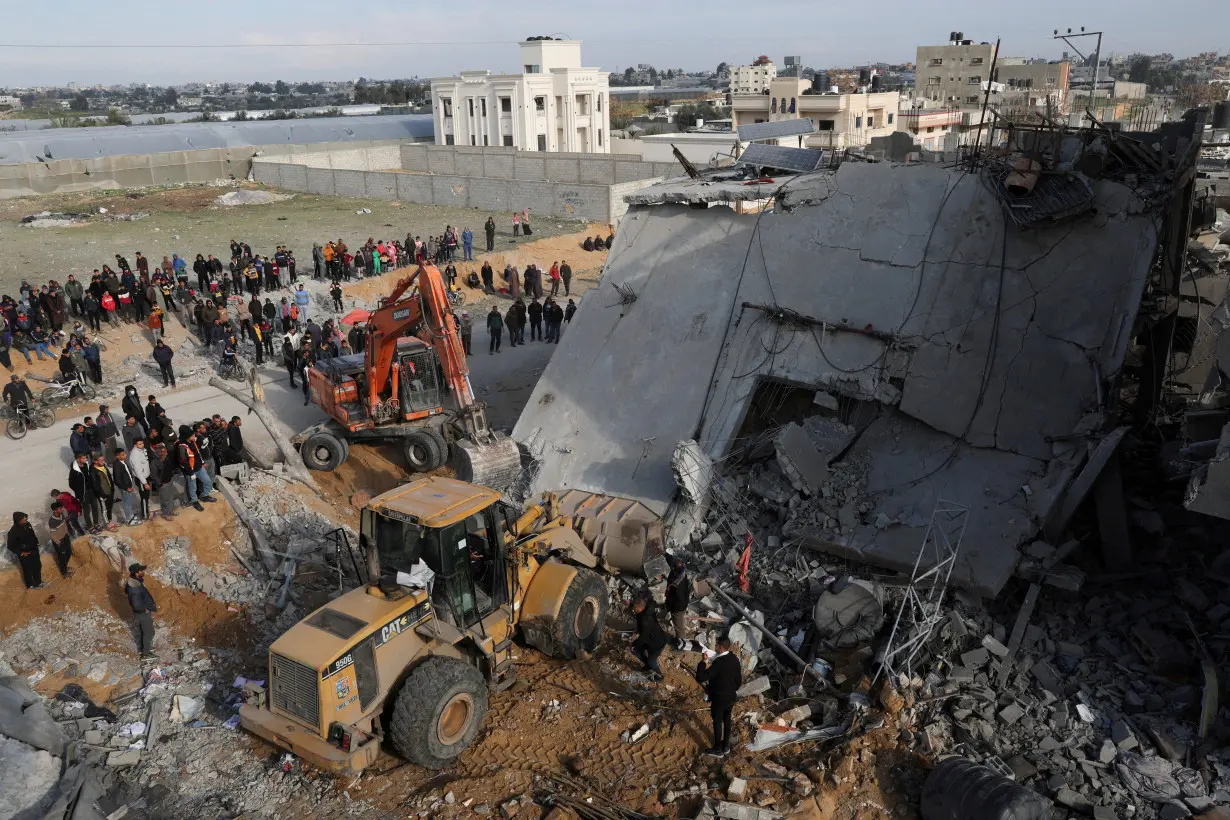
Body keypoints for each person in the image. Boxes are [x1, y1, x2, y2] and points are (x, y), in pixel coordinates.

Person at [695, 636, 743, 756]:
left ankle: (717, 749)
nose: (715, 647)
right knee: (727, 720)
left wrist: (703, 662)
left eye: (716, 645)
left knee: (717, 722)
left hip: (719, 698)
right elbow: (738, 681)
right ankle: (725, 746)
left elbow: (700, 677)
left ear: (721, 647)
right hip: (731, 696)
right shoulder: (734, 659)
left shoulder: (718, 663)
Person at [176, 426, 217, 510]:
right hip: (190, 471)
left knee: (208, 482)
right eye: (192, 435)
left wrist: (202, 462)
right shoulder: (182, 447)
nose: (194, 436)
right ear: (187, 437)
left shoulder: (193, 442)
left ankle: (204, 496)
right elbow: (183, 462)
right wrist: (191, 473)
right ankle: (194, 501)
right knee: (192, 487)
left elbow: (197, 454)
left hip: (199, 467)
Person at [631, 595, 668, 682]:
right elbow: (643, 630)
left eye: (635, 608)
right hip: (651, 638)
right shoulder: (645, 611)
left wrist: (635, 645)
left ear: (640, 607)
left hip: (657, 643)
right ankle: (647, 666)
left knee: (651, 660)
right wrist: (637, 631)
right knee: (637, 651)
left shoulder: (645, 620)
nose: (633, 609)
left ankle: (659, 676)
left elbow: (643, 637)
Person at [126, 563, 158, 658]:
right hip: (142, 613)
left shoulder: (134, 581)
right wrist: (145, 610)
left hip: (141, 612)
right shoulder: (134, 586)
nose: (143, 572)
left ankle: (144, 649)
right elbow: (136, 603)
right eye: (141, 570)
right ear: (136, 573)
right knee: (149, 632)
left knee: (144, 631)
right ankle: (146, 654)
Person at [7, 512, 43, 589]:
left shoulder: (27, 524)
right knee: (28, 571)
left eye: (25, 518)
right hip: (25, 554)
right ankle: (31, 586)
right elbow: (10, 546)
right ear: (18, 520)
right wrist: (21, 553)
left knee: (37, 566)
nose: (25, 519)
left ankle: (39, 583)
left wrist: (36, 542)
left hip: (34, 550)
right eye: (23, 518)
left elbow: (32, 534)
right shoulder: (13, 532)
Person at [68, 454, 100, 533]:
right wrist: (79, 491)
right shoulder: (74, 470)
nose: (86, 459)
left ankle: (96, 523)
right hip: (83, 494)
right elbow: (71, 484)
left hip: (91, 490)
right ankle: (90, 526)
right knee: (87, 510)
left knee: (95, 507)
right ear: (78, 459)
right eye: (84, 458)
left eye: (86, 457)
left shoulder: (87, 465)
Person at [666, 557, 692, 641]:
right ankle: (680, 640)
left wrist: (671, 608)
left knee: (679, 627)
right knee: (678, 624)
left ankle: (682, 644)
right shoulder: (681, 575)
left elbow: (677, 598)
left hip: (678, 607)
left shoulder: (677, 583)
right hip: (680, 604)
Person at [91, 454, 118, 530]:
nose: (103, 462)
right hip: (103, 494)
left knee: (109, 507)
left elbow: (108, 476)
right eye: (101, 460)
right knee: (104, 509)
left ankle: (110, 521)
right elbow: (95, 486)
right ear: (95, 461)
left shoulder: (103, 466)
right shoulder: (93, 471)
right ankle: (107, 525)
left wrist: (112, 488)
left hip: (109, 491)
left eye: (103, 460)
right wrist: (102, 495)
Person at [47, 502, 74, 578]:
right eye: (60, 508)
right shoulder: (52, 521)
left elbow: (63, 523)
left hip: (65, 537)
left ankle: (64, 567)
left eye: (62, 507)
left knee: (68, 553)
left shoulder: (61, 514)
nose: (62, 509)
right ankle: (64, 572)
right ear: (55, 510)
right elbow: (52, 534)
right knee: (62, 556)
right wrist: (58, 543)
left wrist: (66, 533)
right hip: (58, 540)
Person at [129, 439, 152, 520]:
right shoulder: (135, 455)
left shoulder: (142, 450)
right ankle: (145, 515)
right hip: (142, 479)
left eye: (142, 443)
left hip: (146, 476)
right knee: (144, 497)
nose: (142, 445)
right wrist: (145, 483)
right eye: (140, 444)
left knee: (147, 495)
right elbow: (138, 471)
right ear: (135, 445)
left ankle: (146, 511)